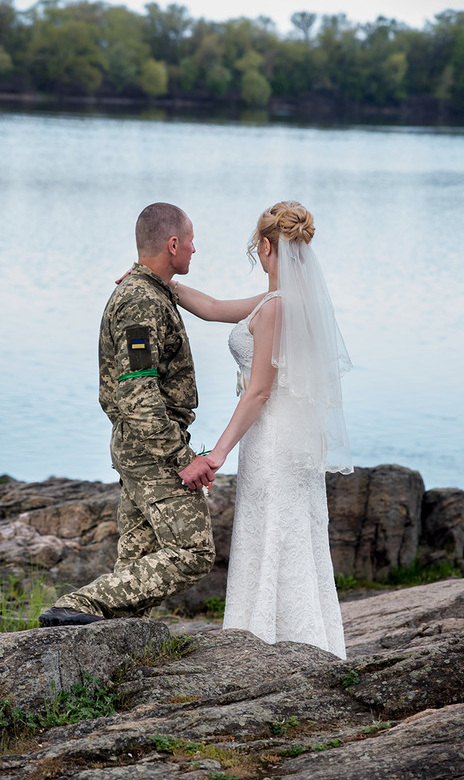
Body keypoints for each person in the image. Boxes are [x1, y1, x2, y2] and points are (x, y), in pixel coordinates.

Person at [177, 201, 353, 658]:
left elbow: (258, 393)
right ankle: (306, 640)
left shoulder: (275, 307)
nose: (256, 249)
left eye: (258, 242)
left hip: (273, 438)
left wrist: (216, 453)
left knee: (275, 528)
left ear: (267, 245)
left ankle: (273, 641)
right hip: (292, 438)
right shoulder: (287, 302)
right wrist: (163, 282)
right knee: (290, 529)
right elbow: (214, 308)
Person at [39, 202, 217, 627]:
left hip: (138, 444)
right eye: (190, 240)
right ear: (173, 244)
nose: (195, 248)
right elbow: (138, 392)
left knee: (139, 557)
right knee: (194, 553)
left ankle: (101, 641)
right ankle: (78, 605)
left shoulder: (150, 290)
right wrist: (182, 459)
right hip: (151, 448)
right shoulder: (140, 300)